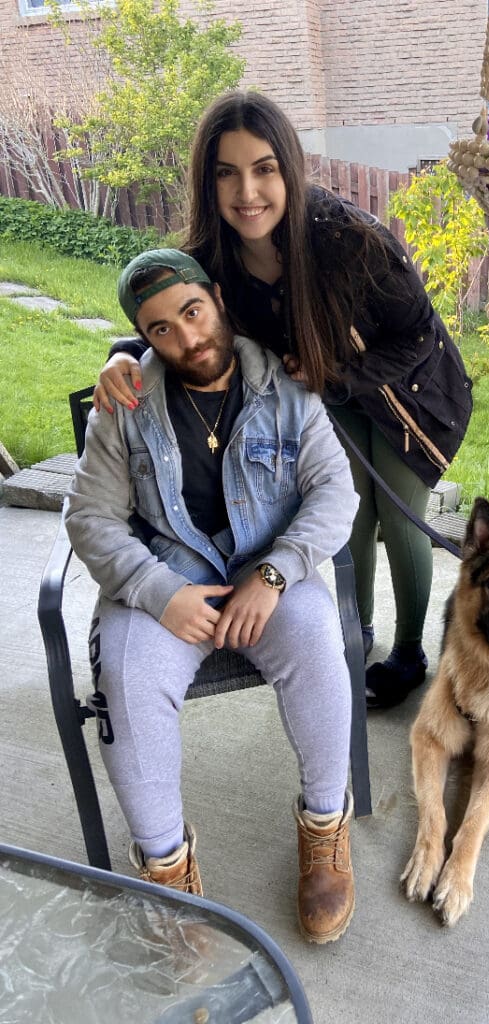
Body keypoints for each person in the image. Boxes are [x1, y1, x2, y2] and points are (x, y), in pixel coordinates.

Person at [95, 89, 473, 710]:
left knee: (402, 518)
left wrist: (340, 377)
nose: (248, 192)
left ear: (289, 170)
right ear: (208, 181)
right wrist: (118, 353)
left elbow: (417, 333)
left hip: (408, 393)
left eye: (264, 169)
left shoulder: (350, 239)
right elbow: (173, 320)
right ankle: (359, 631)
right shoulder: (209, 257)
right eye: (228, 173)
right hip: (325, 398)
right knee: (348, 518)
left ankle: (408, 652)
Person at [65, 248, 360, 945]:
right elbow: (88, 517)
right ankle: (169, 876)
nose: (187, 338)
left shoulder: (287, 386)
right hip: (168, 582)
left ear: (218, 299)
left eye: (192, 312)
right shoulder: (128, 400)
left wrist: (279, 568)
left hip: (268, 577)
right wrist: (157, 591)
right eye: (161, 329)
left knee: (320, 639)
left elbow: (335, 493)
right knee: (127, 677)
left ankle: (324, 828)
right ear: (144, 336)